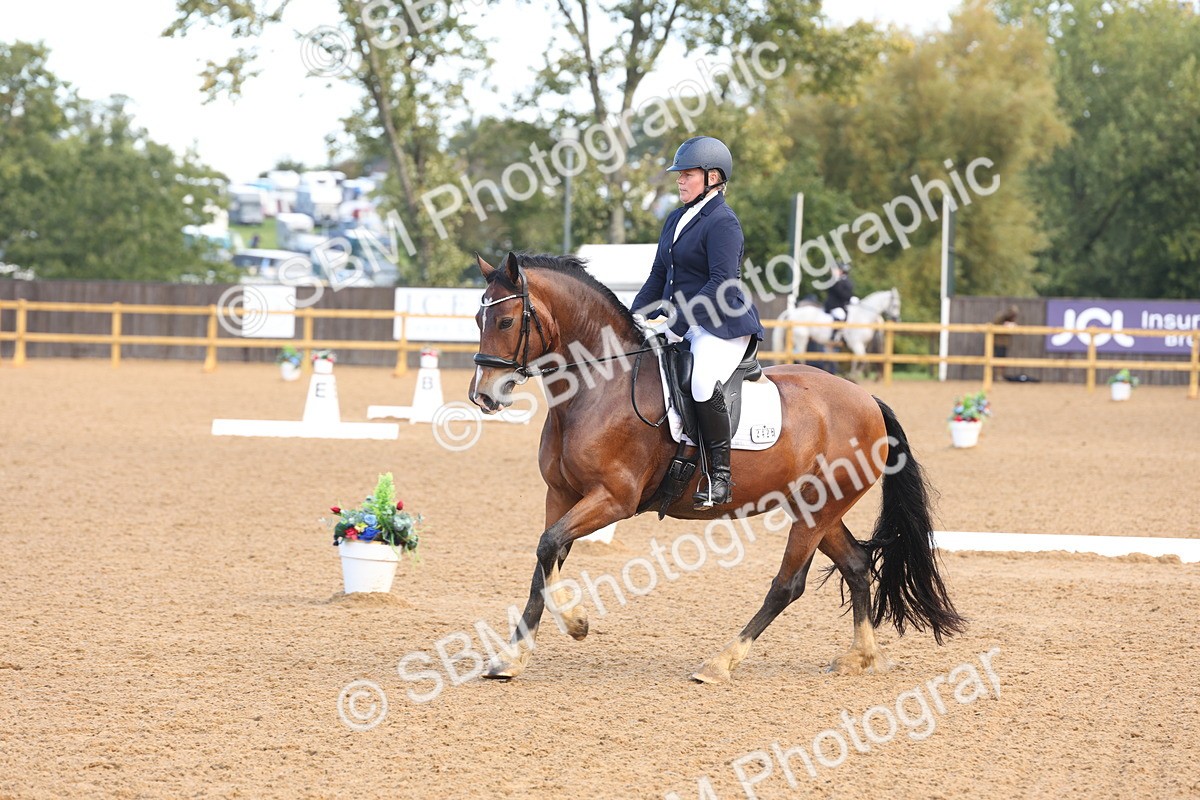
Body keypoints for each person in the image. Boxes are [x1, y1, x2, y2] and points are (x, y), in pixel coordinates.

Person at [632, 136, 764, 509]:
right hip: (687, 323)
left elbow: (720, 284)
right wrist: (632, 317)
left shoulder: (723, 222)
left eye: (688, 175)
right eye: (679, 175)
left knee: (703, 383)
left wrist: (676, 323)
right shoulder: (676, 218)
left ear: (713, 177)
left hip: (723, 324)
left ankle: (720, 477)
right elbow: (658, 275)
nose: (680, 181)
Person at [993, 305, 1019, 378]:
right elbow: (996, 325)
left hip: (1005, 343)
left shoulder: (1011, 320)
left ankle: (1001, 375)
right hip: (998, 342)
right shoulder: (1001, 316)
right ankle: (998, 375)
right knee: (998, 359)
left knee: (1003, 359)